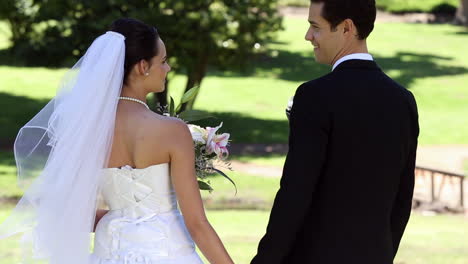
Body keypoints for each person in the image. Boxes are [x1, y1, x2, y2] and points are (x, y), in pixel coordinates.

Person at [0, 18, 233, 264]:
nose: (168, 68)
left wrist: (121, 217)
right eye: (163, 61)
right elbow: (197, 223)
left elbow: (69, 211)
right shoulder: (172, 131)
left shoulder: (88, 132)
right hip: (168, 253)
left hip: (108, 253)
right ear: (143, 66)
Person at [251, 0, 419, 263]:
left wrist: (266, 260)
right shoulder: (403, 99)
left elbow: (295, 192)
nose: (308, 36)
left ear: (346, 28)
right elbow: (402, 197)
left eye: (315, 27)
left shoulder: (314, 96)